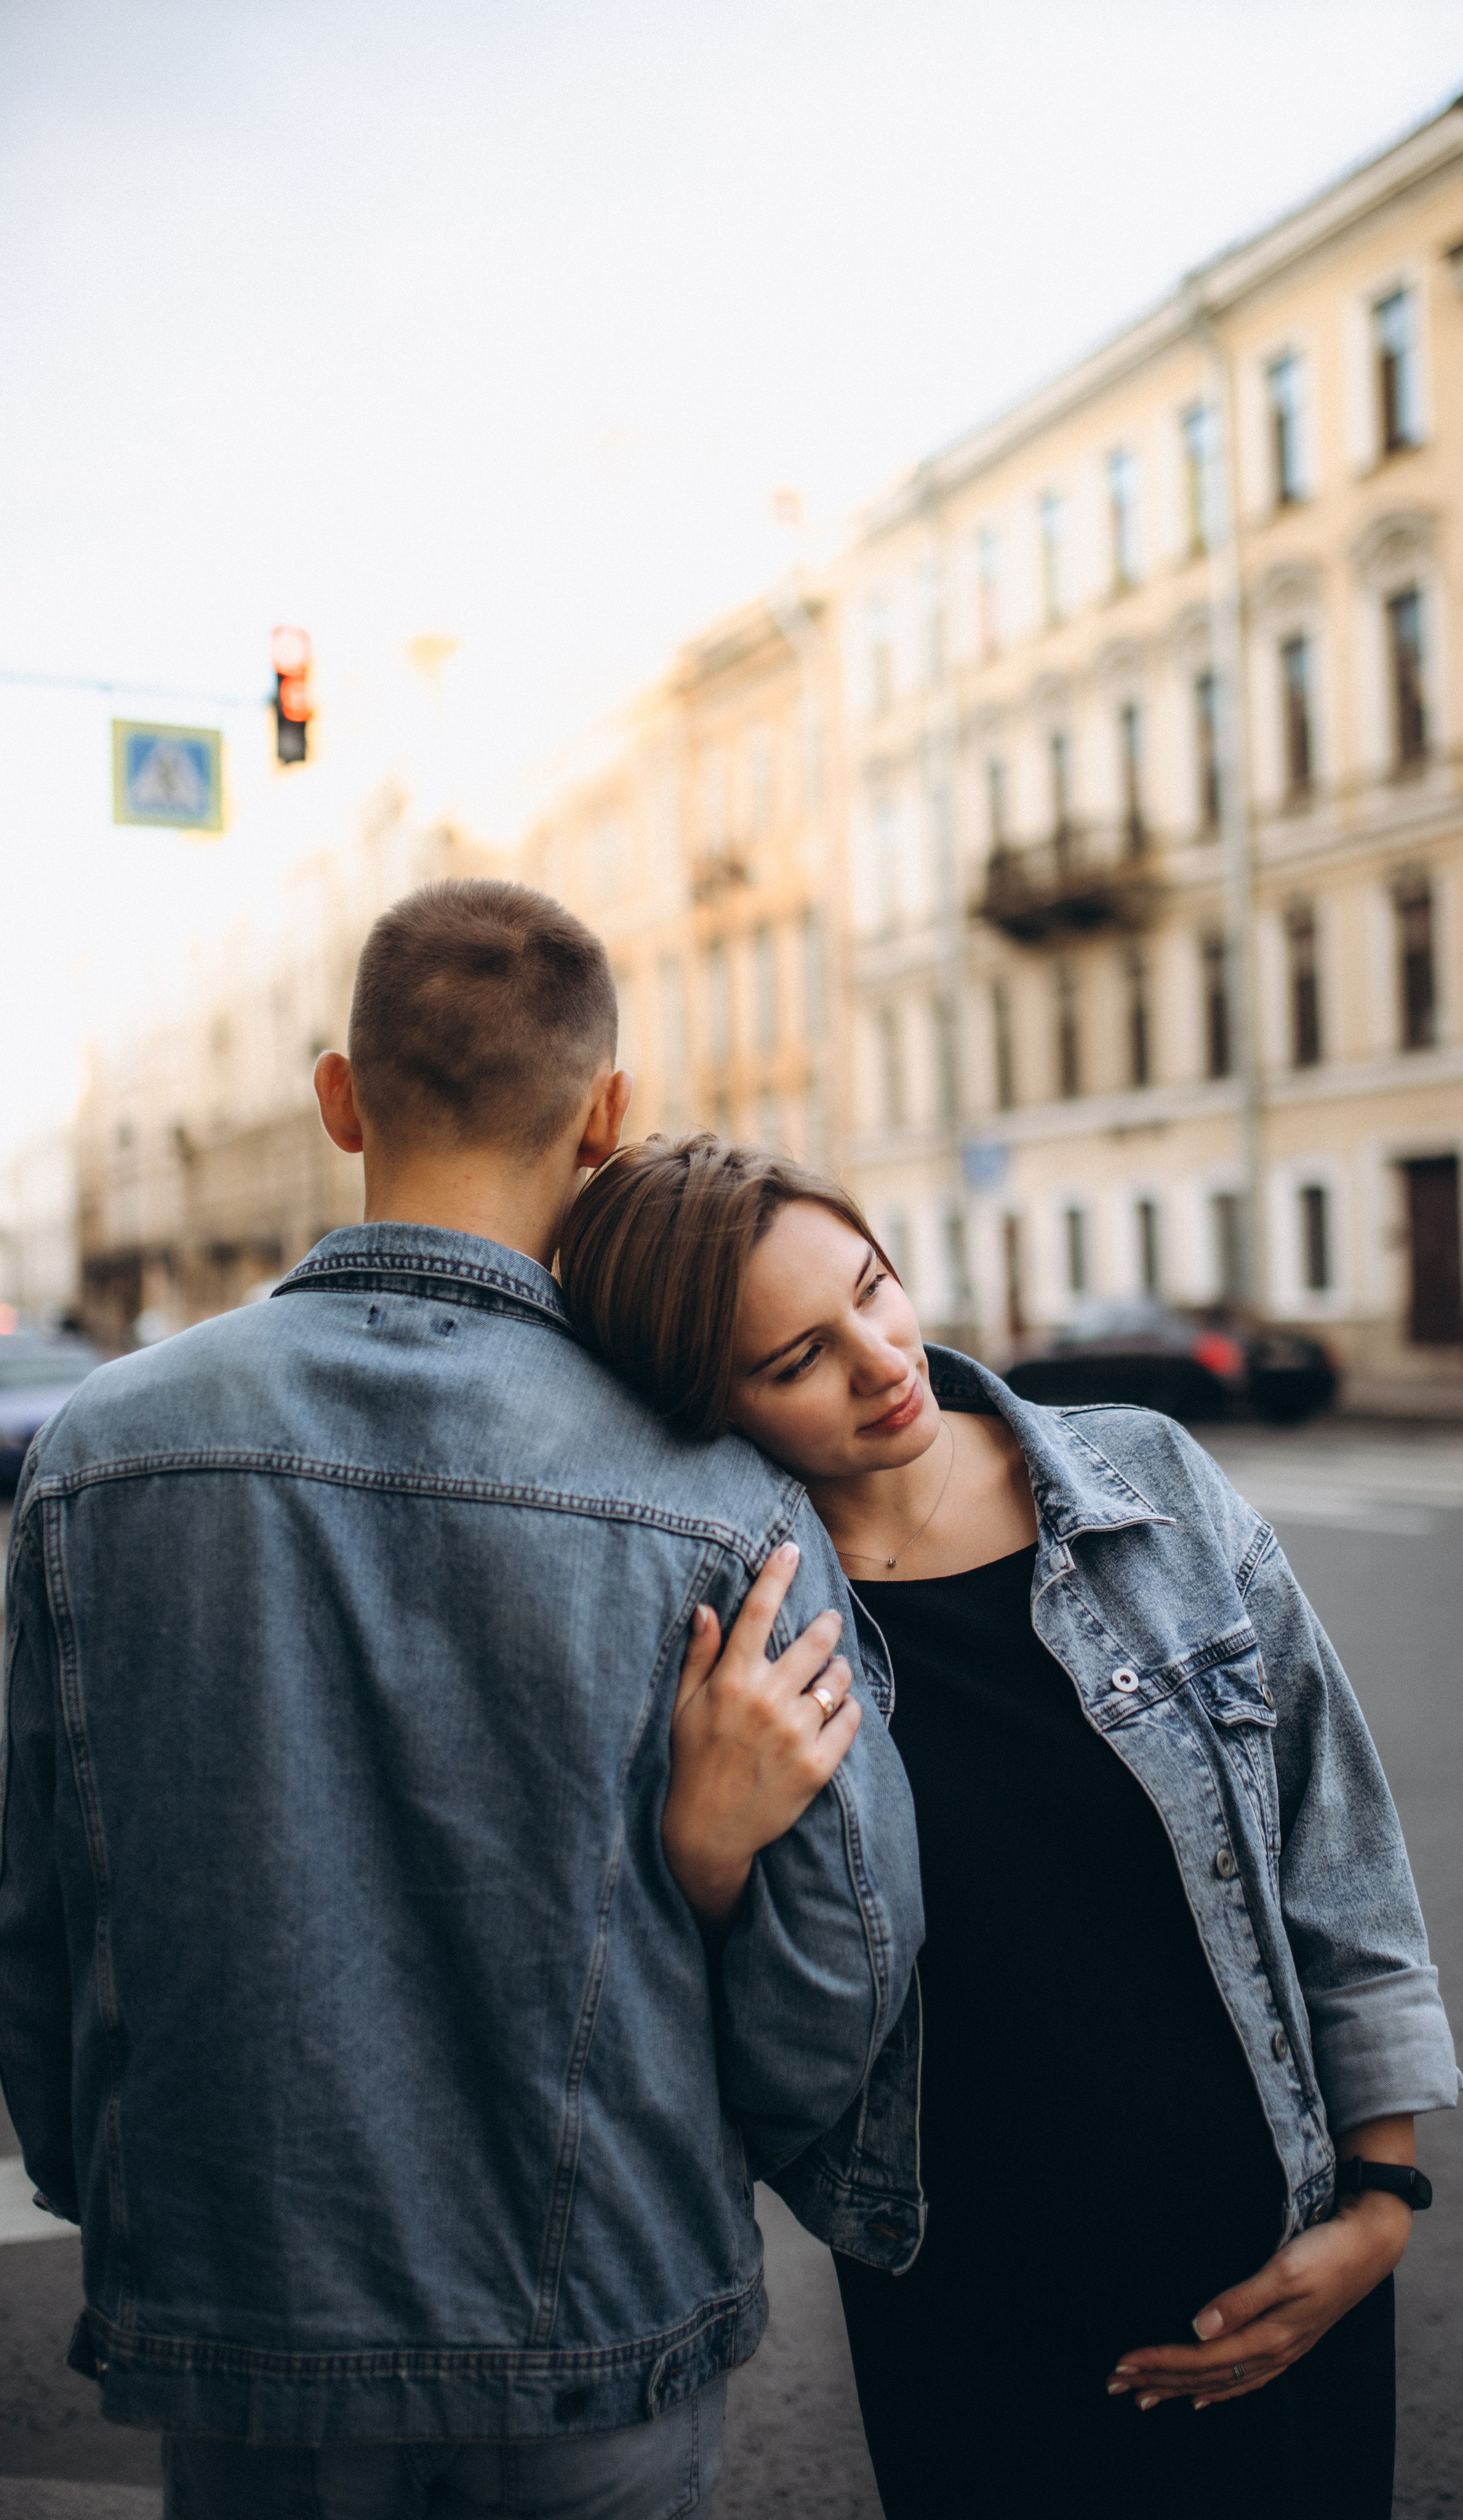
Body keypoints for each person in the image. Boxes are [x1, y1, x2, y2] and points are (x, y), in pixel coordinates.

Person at [0, 883, 922, 2520]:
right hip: (600, 2308)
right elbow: (843, 1943)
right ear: (608, 1113)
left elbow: (38, 1892)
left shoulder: (97, 1451)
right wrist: (704, 2143)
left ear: (340, 1096)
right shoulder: (717, 1491)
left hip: (241, 2293)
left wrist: (124, 2188)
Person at [556, 1134, 1463, 2520]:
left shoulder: (1144, 1484)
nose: (879, 1357)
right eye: (796, 1357)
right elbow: (744, 2070)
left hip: (1274, 2251)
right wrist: (705, 1850)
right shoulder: (722, 1644)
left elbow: (1331, 1841)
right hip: (969, 2310)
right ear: (699, 1402)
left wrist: (1379, 2193)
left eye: (874, 1285)